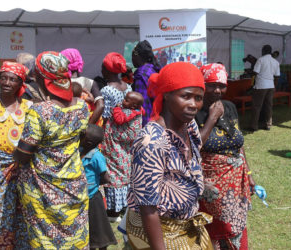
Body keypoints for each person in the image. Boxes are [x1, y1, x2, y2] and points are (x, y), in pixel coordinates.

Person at [127, 62, 213, 250]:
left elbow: (186, 166)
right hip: (161, 232)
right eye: (185, 96)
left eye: (198, 98)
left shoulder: (189, 127)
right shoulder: (152, 141)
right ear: (166, 94)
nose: (193, 104)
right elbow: (147, 207)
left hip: (188, 226)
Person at [13, 51, 90, 249]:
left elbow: (24, 154)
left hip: (42, 191)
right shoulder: (81, 106)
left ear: (40, 77)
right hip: (74, 186)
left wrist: (13, 152)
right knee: (74, 239)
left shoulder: (40, 111)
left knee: (45, 241)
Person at [196, 63, 255, 249]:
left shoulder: (229, 107)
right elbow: (195, 146)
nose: (218, 90)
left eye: (222, 85)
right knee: (218, 226)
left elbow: (239, 143)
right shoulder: (194, 111)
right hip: (212, 184)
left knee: (236, 224)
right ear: (202, 84)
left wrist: (249, 174)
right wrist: (212, 118)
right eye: (212, 85)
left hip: (236, 182)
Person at [0, 61, 31, 248]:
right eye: (3, 78)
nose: (7, 82)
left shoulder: (28, 107)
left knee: (22, 214)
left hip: (22, 170)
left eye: (12, 79)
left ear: (20, 84)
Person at [100, 52, 137, 219]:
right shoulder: (127, 87)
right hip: (126, 133)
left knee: (113, 170)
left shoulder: (107, 89)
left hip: (112, 134)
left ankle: (114, 210)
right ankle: (125, 206)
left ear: (107, 70)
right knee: (124, 167)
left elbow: (106, 115)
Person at [80, 124, 117, 250]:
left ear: (89, 142)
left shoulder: (96, 156)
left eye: (82, 136)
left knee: (99, 227)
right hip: (81, 197)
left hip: (93, 198)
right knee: (87, 227)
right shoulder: (79, 150)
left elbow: (105, 177)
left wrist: (94, 183)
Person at [61, 48, 104, 124]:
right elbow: (100, 105)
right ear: (80, 62)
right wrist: (89, 126)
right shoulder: (90, 82)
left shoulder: (60, 83)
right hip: (86, 123)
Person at [249, 44, 280, 131]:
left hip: (261, 86)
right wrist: (275, 87)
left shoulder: (260, 60)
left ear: (263, 51)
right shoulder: (276, 62)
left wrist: (250, 72)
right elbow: (277, 76)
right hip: (271, 86)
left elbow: (255, 72)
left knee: (257, 106)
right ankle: (268, 124)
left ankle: (254, 126)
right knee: (268, 106)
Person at [132, 40, 160, 126]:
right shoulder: (152, 69)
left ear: (136, 55)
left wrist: (145, 129)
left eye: (132, 56)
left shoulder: (141, 76)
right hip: (157, 118)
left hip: (148, 123)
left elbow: (144, 106)